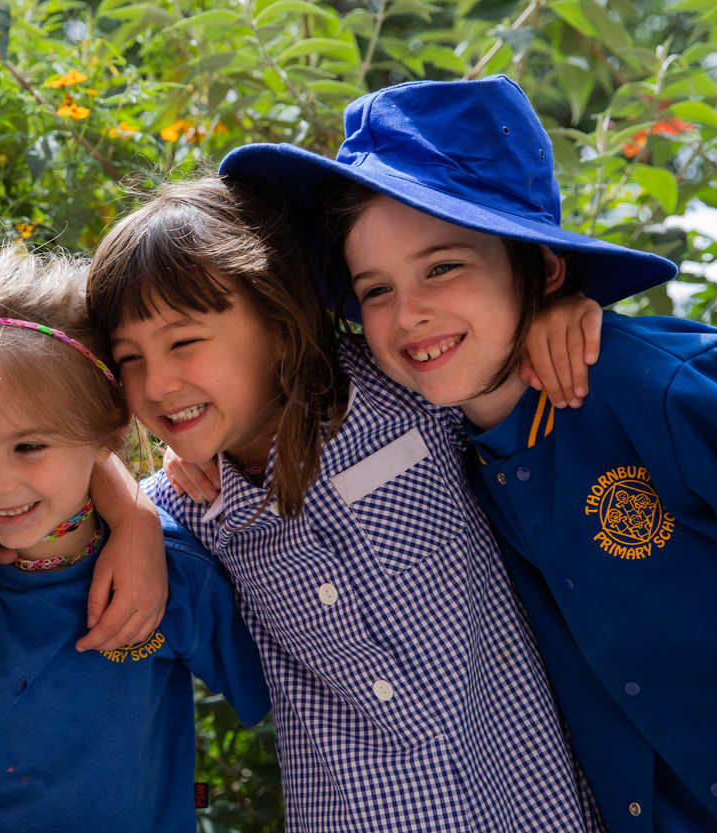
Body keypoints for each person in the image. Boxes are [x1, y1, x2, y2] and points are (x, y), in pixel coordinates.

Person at [231, 75, 715, 831]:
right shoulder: (429, 442)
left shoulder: (645, 388)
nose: (409, 312)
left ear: (542, 266)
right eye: (374, 288)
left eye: (442, 266)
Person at [85, 172, 614, 831]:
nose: (157, 383)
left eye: (184, 341)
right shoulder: (189, 510)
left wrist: (554, 310)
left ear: (279, 322)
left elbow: (495, 355)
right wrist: (131, 514)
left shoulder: (410, 392)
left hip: (534, 804)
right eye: (128, 358)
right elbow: (41, 494)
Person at [0, 249, 272, 831]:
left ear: (107, 433)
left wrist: (143, 519)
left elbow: (289, 696)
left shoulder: (173, 574)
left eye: (30, 447)